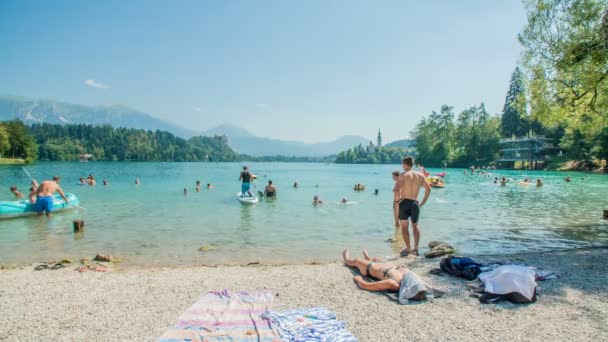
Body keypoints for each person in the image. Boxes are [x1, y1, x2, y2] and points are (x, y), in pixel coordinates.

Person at [342, 249, 428, 300]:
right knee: (376, 259)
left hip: (368, 268)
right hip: (384, 264)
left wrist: (358, 279)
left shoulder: (394, 284)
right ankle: (369, 258)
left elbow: (366, 286)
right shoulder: (409, 277)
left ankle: (346, 259)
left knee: (356, 261)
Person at [396, 157, 431, 257]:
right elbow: (428, 189)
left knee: (404, 227)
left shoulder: (403, 175)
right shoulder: (420, 175)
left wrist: (397, 201)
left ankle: (408, 248)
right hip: (415, 203)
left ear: (405, 164)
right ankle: (415, 249)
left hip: (404, 202)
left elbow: (397, 189)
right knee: (415, 226)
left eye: (403, 164)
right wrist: (422, 202)